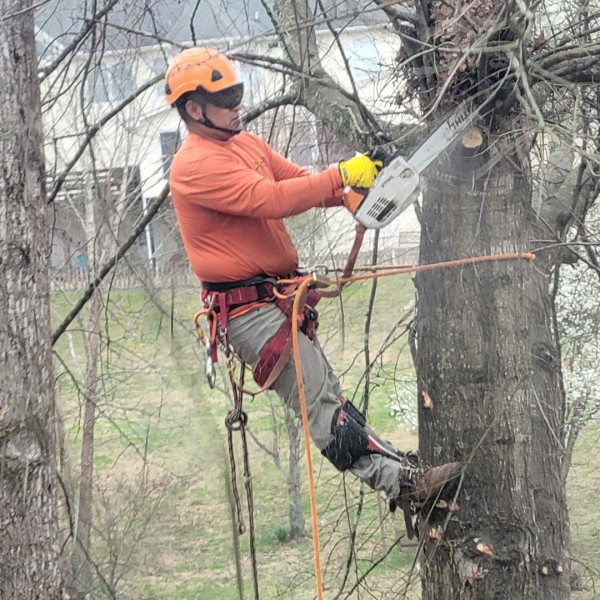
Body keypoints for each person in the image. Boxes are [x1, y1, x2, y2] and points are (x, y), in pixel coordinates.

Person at [165, 47, 459, 533]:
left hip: (276, 298)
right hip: (249, 313)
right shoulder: (193, 165)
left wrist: (349, 190)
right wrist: (340, 174)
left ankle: (403, 474)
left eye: (238, 94)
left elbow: (298, 180)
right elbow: (269, 199)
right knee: (322, 406)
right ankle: (404, 485)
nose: (237, 105)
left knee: (329, 397)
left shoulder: (245, 144)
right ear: (194, 108)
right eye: (226, 99)